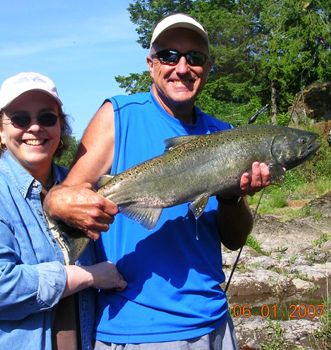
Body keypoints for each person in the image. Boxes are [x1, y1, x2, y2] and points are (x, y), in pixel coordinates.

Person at [45, 14, 273, 349]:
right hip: (135, 330)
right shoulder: (117, 116)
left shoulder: (225, 135)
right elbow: (66, 193)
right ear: (152, 64)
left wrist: (230, 198)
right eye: (169, 56)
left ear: (207, 67)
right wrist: (64, 205)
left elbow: (235, 240)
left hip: (214, 323)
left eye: (194, 57)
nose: (182, 67)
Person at [0, 72, 126, 350]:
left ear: (61, 126)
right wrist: (87, 276)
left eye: (47, 118)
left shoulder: (84, 189)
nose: (35, 128)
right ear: (0, 130)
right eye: (20, 119)